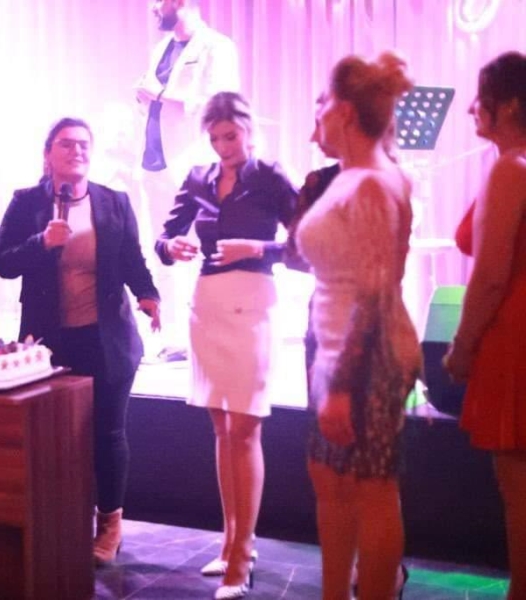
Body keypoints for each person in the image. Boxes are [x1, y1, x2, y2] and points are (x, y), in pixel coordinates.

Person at [0, 117, 161, 566]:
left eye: (84, 144)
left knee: (108, 433)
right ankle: (64, 519)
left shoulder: (113, 201)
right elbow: (3, 262)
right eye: (67, 144)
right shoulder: (27, 202)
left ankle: (110, 525)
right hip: (49, 344)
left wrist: (148, 295)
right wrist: (41, 242)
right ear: (48, 153)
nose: (77, 151)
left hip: (106, 341)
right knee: (55, 436)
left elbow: (132, 260)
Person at [154, 92, 296, 599]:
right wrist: (171, 246)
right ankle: (231, 540)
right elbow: (163, 239)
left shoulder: (271, 176)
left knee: (246, 429)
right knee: (221, 427)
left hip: (254, 302)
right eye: (214, 138)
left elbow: (305, 244)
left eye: (230, 136)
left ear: (249, 130)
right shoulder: (198, 178)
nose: (223, 146)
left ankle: (243, 552)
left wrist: (257, 247)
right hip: (208, 304)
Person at [295, 52, 421, 600]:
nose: (318, 115)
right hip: (339, 351)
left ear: (344, 110)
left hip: (366, 358)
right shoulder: (357, 178)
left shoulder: (372, 182)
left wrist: (343, 385)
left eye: (323, 103)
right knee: (335, 486)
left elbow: (373, 294)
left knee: (370, 491)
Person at [444, 51, 526, 600]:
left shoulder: (510, 167)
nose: (473, 108)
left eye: (482, 98)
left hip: (513, 338)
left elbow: (492, 276)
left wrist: (462, 346)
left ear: (510, 105)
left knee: (519, 492)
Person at [136, 0, 240, 352]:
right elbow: (158, 103)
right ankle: (173, 338)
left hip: (193, 164)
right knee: (162, 250)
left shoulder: (217, 47)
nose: (152, 7)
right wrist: (145, 98)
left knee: (199, 249)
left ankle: (206, 335)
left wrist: (162, 95)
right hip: (154, 162)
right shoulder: (161, 49)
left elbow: (220, 105)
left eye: (158, 1)